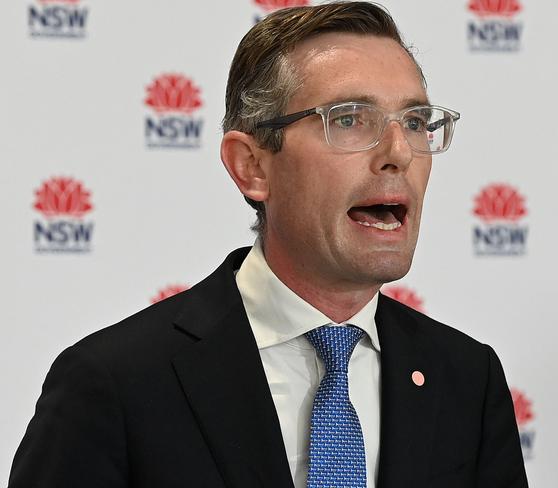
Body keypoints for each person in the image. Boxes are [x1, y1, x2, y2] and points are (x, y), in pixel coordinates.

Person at [9, 2, 528, 487]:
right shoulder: (114, 383)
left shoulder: (466, 379)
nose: (398, 152)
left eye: (415, 122)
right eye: (349, 119)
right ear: (252, 166)